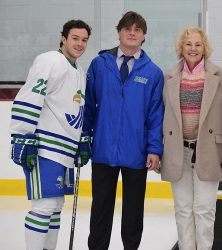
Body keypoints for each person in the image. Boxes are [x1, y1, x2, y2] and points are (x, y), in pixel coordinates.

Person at [84, 11, 164, 250]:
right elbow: (88, 105)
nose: (132, 33)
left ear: (144, 36)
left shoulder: (153, 72)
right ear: (119, 31)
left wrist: (154, 149)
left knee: (133, 211)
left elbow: (156, 115)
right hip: (103, 150)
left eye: (137, 30)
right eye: (128, 28)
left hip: (136, 152)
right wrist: (84, 139)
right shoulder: (99, 64)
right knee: (100, 208)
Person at [9, 19, 91, 250]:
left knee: (55, 205)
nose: (79, 43)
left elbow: (76, 109)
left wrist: (81, 139)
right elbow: (29, 96)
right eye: (75, 38)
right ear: (63, 38)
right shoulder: (49, 61)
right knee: (43, 206)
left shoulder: (79, 71)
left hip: (64, 150)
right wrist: (22, 136)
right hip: (44, 146)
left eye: (84, 40)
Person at [161, 26, 222, 250]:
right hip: (178, 151)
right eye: (188, 44)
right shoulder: (169, 76)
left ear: (205, 48)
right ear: (181, 47)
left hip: (209, 151)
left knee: (204, 210)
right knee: (182, 210)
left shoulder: (221, 76)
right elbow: (162, 114)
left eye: (198, 44)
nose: (193, 48)